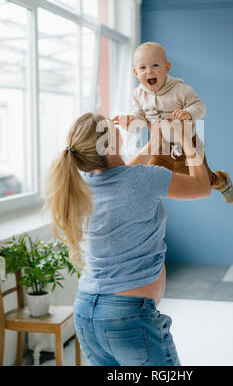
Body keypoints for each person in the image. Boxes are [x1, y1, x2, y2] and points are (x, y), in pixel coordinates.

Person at [42, 112, 211, 366]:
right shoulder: (144, 179)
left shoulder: (83, 184)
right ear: (108, 146)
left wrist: (153, 144)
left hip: (86, 314)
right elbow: (202, 186)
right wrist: (188, 141)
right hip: (127, 318)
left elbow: (123, 175)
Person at [113, 41, 233, 204]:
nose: (149, 71)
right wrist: (130, 122)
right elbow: (139, 118)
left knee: (204, 180)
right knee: (152, 176)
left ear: (167, 68)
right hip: (160, 148)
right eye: (143, 68)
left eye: (155, 65)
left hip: (187, 146)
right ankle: (148, 206)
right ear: (136, 72)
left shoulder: (180, 90)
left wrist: (188, 113)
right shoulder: (138, 95)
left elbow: (200, 106)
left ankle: (222, 181)